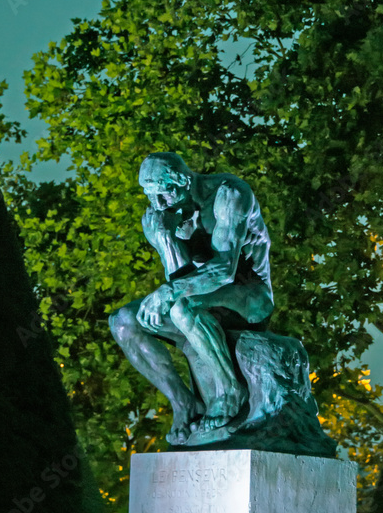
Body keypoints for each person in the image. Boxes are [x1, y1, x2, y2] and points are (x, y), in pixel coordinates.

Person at [109, 152, 274, 444]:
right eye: (151, 196)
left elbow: (224, 269)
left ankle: (229, 391)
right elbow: (180, 275)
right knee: (123, 321)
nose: (157, 205)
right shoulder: (172, 212)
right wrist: (165, 241)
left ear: (184, 180)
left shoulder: (230, 194)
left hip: (249, 295)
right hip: (203, 298)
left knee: (182, 305)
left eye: (163, 194)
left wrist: (168, 292)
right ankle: (183, 403)